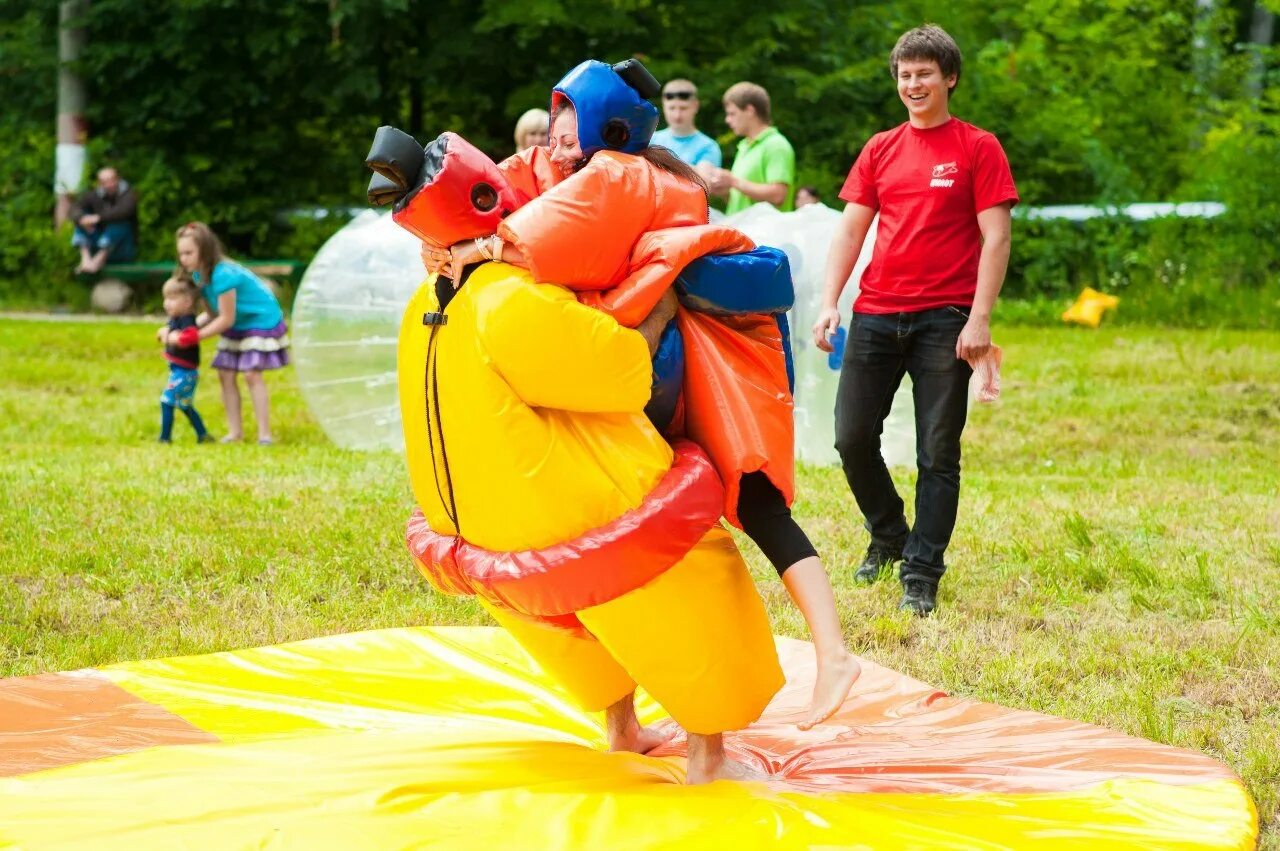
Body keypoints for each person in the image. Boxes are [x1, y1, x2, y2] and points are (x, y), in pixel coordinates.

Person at [424, 60, 860, 730]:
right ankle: (623, 718)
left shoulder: (629, 176)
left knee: (744, 509)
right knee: (593, 544)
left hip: (679, 374)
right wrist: (444, 234)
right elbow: (503, 191)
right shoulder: (564, 168)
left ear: (611, 128)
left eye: (572, 131)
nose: (558, 144)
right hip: (618, 375)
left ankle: (830, 657)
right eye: (555, 130)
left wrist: (481, 247)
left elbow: (550, 239)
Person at [371, 122, 784, 784]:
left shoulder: (426, 301)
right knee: (695, 578)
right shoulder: (505, 300)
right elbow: (615, 372)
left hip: (473, 525)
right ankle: (711, 755)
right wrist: (662, 297)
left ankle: (622, 725)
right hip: (561, 515)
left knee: (572, 621)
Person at [812, 24, 1019, 617]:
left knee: (937, 451)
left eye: (924, 73)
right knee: (851, 438)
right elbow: (852, 228)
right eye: (904, 75)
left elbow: (996, 236)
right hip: (875, 311)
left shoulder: (978, 147)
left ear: (949, 77)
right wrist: (830, 301)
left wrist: (978, 321)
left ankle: (922, 571)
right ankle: (889, 535)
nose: (913, 83)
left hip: (945, 320)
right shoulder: (880, 147)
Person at [174, 222, 289, 445]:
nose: (184, 259)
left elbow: (226, 319)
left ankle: (264, 435)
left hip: (259, 319)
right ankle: (235, 433)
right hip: (238, 322)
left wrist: (195, 337)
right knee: (225, 373)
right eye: (181, 254)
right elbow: (211, 313)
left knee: (251, 374)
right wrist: (186, 329)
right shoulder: (199, 276)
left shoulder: (223, 275)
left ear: (204, 251)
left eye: (189, 253)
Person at [708, 82, 795, 215]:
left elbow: (778, 194)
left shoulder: (776, 145)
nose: (727, 120)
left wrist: (733, 181)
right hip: (744, 231)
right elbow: (743, 199)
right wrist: (725, 191)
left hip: (766, 234)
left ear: (750, 110)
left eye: (732, 114)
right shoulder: (744, 146)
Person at [154, 275, 214, 444]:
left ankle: (165, 438)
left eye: (172, 299)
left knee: (167, 401)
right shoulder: (176, 319)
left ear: (187, 302)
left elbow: (191, 336)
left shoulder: (188, 320)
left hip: (185, 373)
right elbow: (169, 331)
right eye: (165, 298)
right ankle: (202, 434)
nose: (167, 303)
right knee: (184, 405)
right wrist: (163, 332)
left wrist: (174, 338)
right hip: (179, 371)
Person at [71, 167, 138, 274]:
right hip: (97, 243)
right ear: (99, 183)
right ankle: (86, 259)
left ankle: (98, 261)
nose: (109, 185)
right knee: (83, 221)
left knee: (120, 224)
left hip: (121, 248)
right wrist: (82, 219)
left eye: (112, 180)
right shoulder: (93, 195)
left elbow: (124, 211)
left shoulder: (128, 194)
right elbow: (75, 209)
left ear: (118, 179)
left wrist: (98, 218)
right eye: (105, 182)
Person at [649, 79, 721, 176]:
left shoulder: (708, 146)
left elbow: (705, 181)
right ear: (663, 106)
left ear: (696, 106)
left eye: (683, 108)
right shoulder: (650, 140)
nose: (677, 115)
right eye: (672, 108)